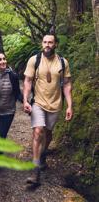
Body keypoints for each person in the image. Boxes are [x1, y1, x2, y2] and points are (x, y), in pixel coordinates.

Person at [23, 33, 73, 185]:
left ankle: (43, 154)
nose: (47, 45)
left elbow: (67, 84)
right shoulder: (34, 60)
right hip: (38, 102)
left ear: (55, 44)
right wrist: (25, 100)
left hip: (55, 104)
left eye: (50, 42)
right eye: (45, 42)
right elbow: (27, 81)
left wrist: (70, 105)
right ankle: (36, 170)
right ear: (41, 43)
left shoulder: (63, 62)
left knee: (48, 134)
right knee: (38, 131)